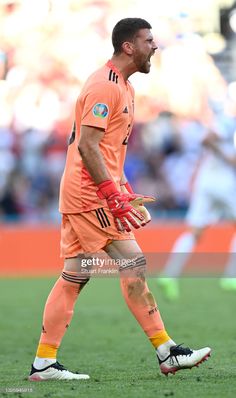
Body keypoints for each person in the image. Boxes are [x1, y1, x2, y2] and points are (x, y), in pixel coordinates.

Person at [28, 18, 211, 381]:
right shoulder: (104, 86)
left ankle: (44, 363)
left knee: (74, 276)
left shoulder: (124, 87)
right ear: (129, 46)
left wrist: (124, 190)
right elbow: (87, 145)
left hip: (90, 192)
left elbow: (108, 153)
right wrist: (112, 195)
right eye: (148, 40)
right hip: (88, 194)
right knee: (134, 264)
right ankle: (167, 351)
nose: (154, 47)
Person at [157, 105, 236, 300]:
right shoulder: (227, 121)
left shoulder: (225, 120)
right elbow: (208, 138)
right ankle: (231, 276)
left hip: (205, 181)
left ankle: (170, 274)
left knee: (195, 232)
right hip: (223, 182)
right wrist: (227, 158)